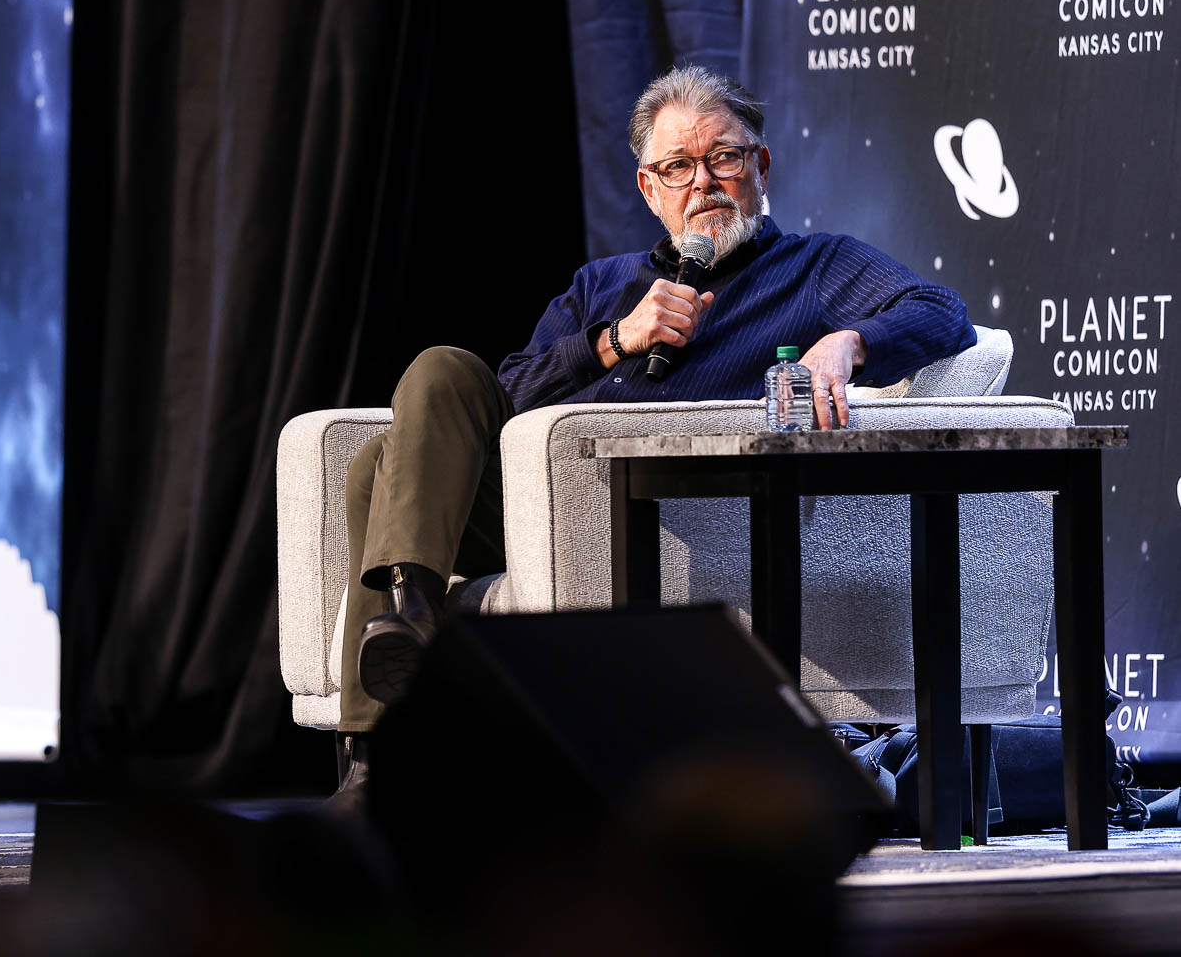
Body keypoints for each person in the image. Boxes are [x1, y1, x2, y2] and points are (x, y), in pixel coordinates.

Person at [326, 64, 975, 807]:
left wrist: (849, 342)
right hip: (532, 510)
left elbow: (940, 310)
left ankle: (375, 754)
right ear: (649, 188)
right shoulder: (603, 285)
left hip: (661, 515)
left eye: (723, 158)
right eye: (678, 166)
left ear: (760, 166)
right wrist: (613, 342)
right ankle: (409, 612)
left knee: (375, 469)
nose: (703, 182)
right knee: (437, 375)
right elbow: (492, 403)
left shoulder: (816, 268)